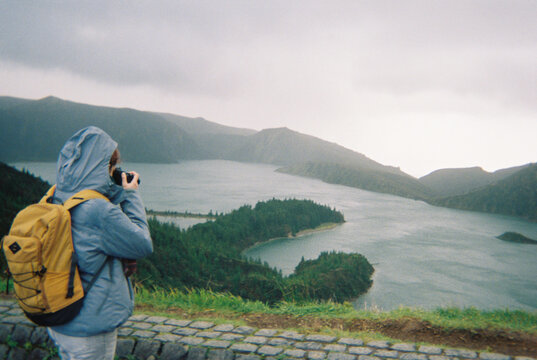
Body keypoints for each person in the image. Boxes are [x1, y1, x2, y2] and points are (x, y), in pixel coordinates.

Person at [46, 126, 153, 359]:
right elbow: (143, 243)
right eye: (111, 166)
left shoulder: (55, 197)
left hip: (59, 321)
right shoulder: (97, 210)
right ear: (101, 167)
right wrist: (130, 193)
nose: (113, 171)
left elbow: (85, 246)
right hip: (89, 328)